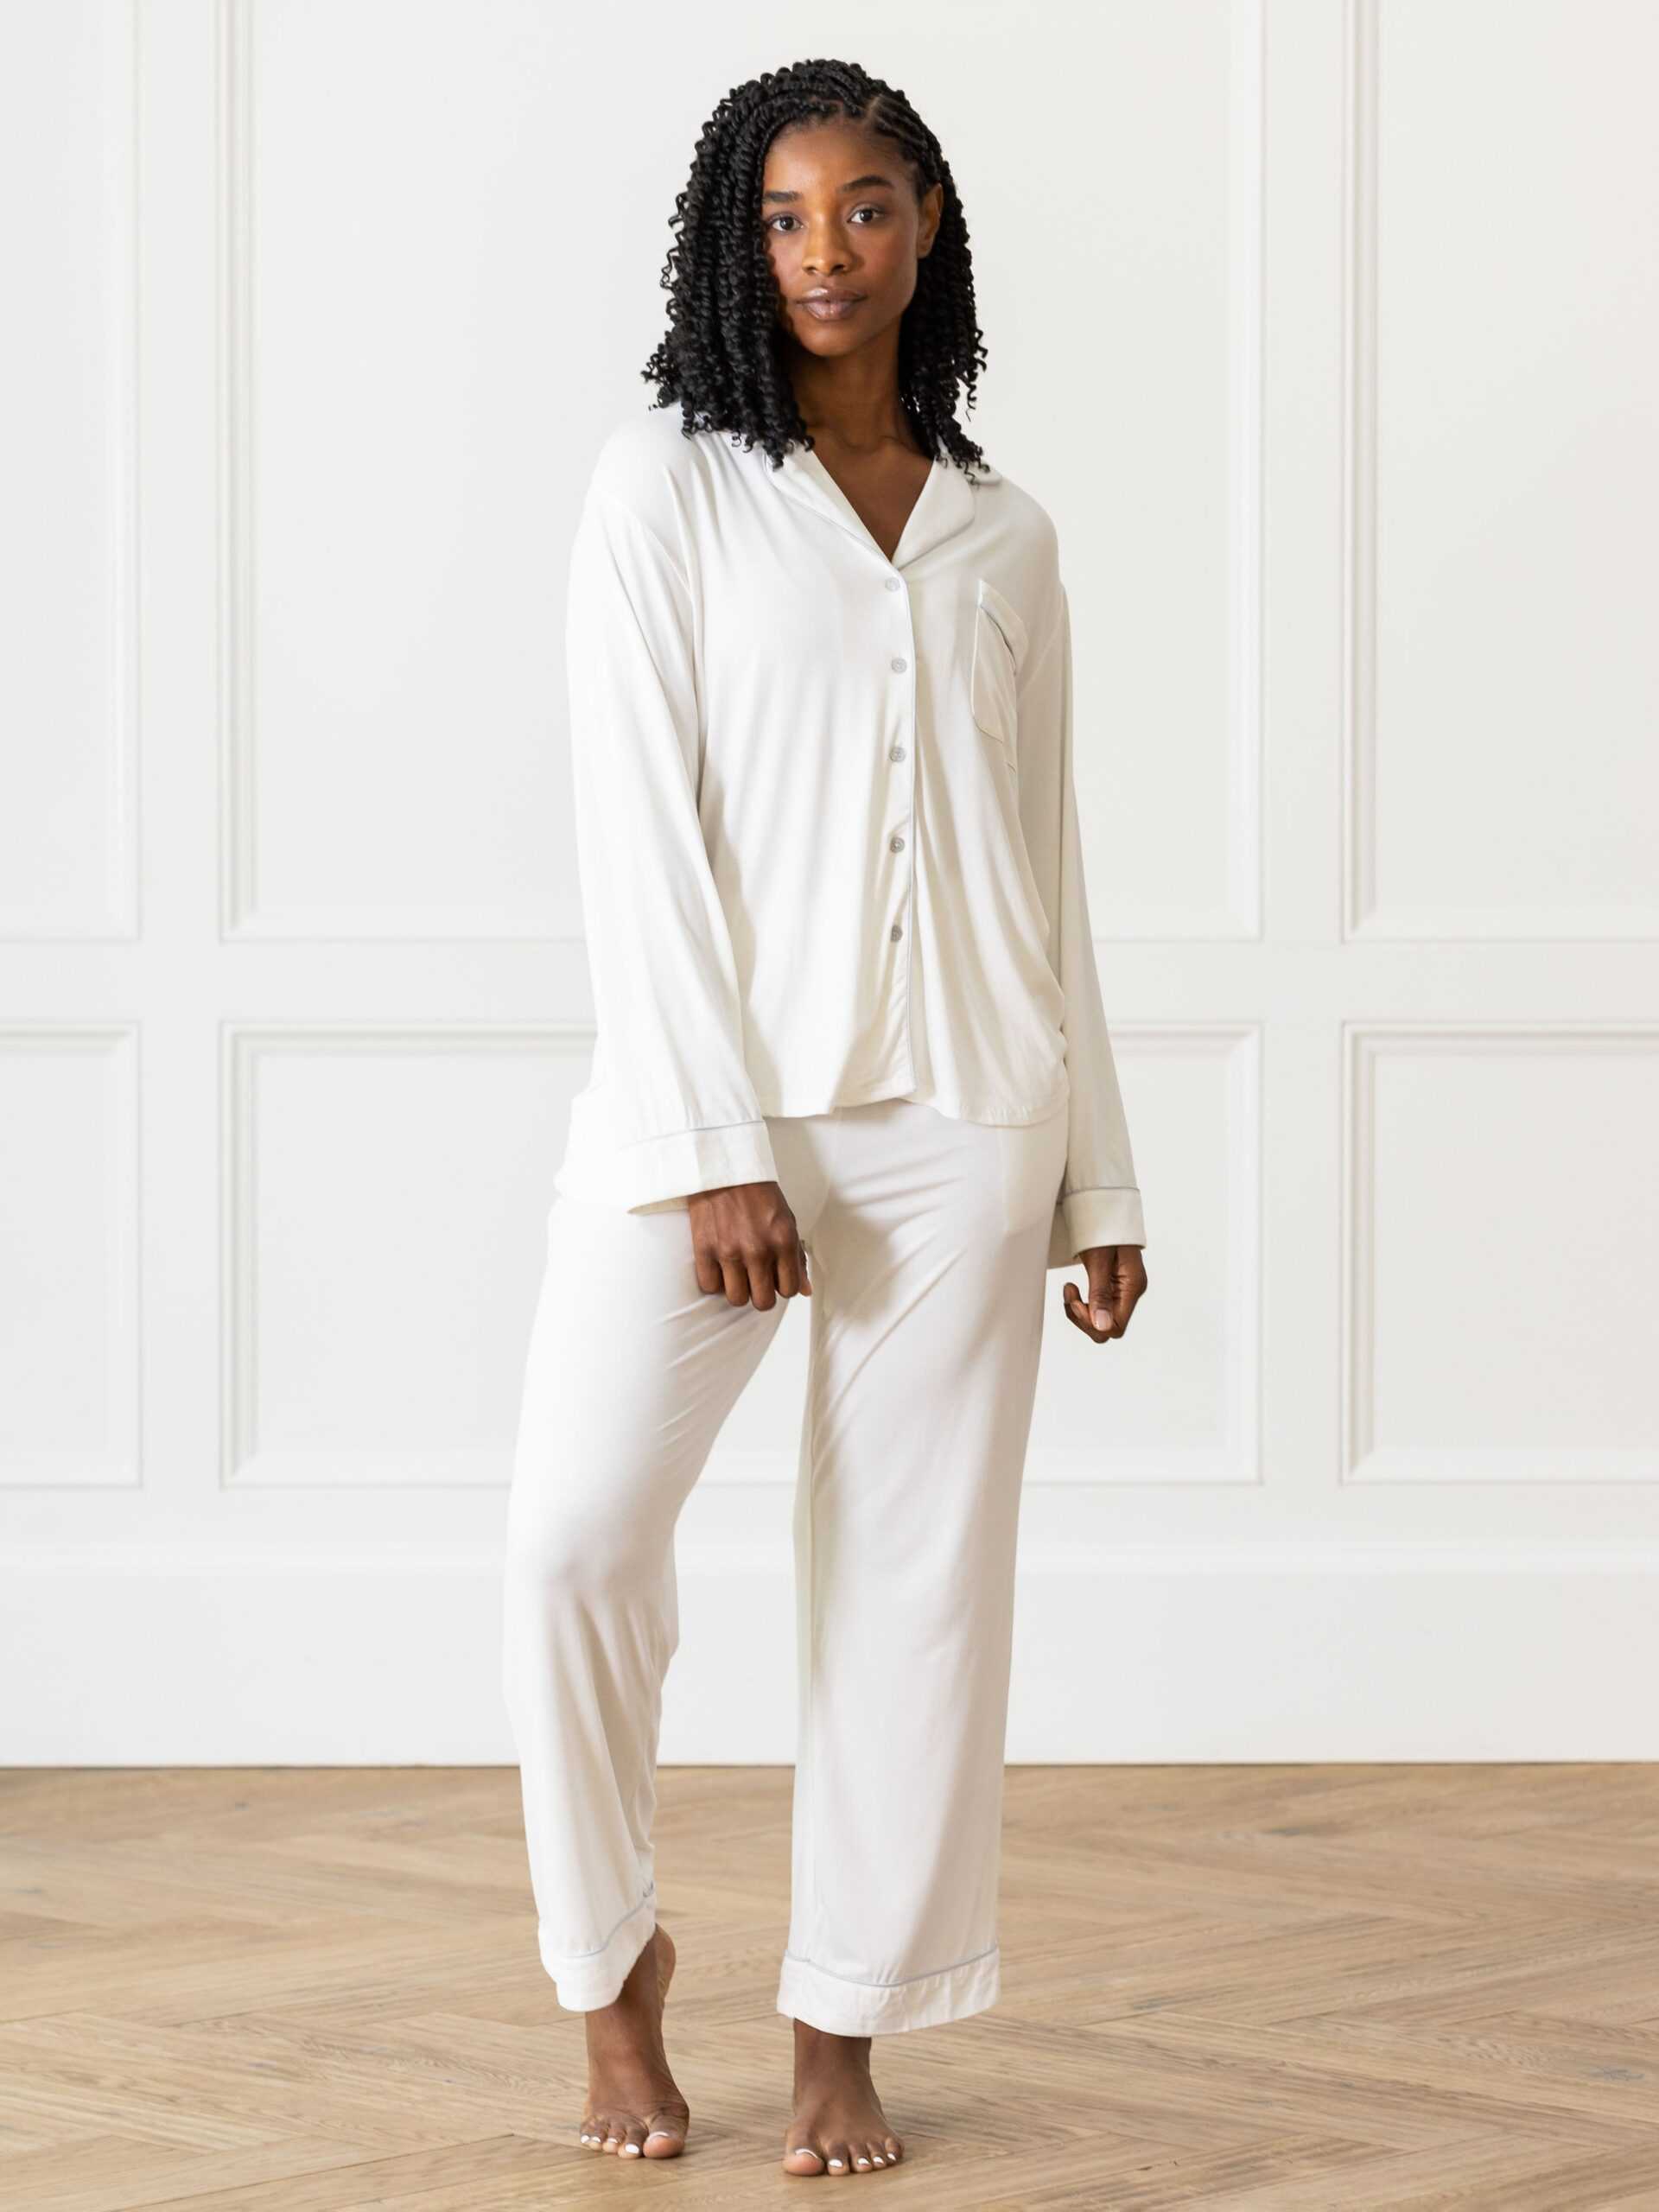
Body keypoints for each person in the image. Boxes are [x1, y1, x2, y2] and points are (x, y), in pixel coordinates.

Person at [501, 55, 1147, 2180]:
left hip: (969, 1113)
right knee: (581, 1532)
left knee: (914, 1584)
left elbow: (1047, 870)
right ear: (733, 238)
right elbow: (638, 837)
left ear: (930, 224)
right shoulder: (664, 489)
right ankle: (614, 1979)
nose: (826, 253)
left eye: (866, 207)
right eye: (784, 216)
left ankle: (841, 2026)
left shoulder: (1008, 534)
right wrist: (707, 1144)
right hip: (718, 1109)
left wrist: (1097, 1171)